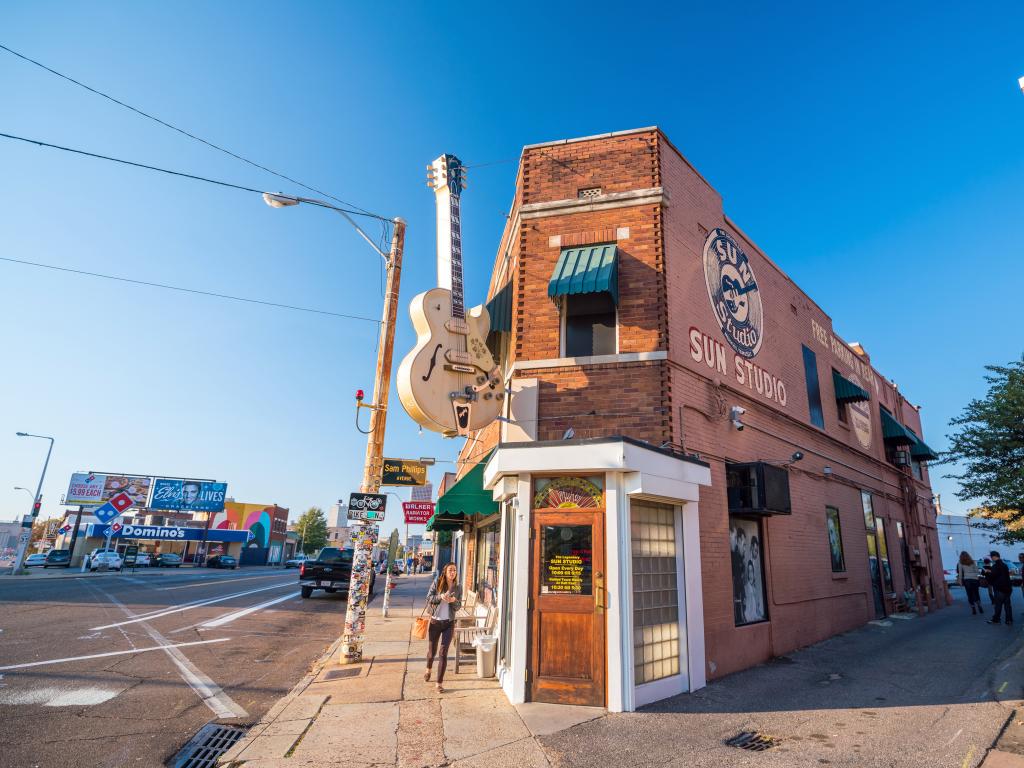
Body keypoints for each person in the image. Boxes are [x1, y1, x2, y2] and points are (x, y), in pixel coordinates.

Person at [424, 562, 462, 693]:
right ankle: (428, 669)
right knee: (432, 652)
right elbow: (428, 598)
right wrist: (440, 596)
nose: (453, 572)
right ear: (445, 572)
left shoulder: (458, 587)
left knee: (443, 653)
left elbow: (458, 607)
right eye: (451, 570)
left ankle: (439, 683)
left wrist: (454, 602)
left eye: (455, 570)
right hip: (435, 622)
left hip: (448, 623)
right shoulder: (437, 583)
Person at [987, 551, 1013, 626]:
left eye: (991, 557)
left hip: (999, 588)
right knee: (1007, 605)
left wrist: (988, 572)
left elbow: (992, 577)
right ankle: (1009, 620)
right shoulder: (1005, 565)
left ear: (994, 556)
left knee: (998, 605)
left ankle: (996, 619)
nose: (991, 558)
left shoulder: (995, 566)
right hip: (1008, 588)